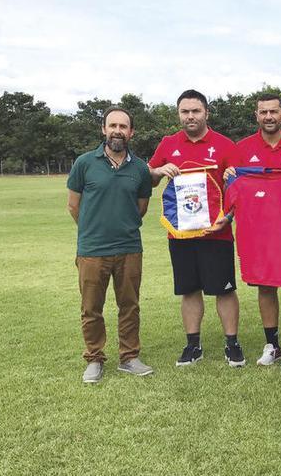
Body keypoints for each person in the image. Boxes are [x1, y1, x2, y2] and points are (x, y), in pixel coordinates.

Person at [148, 89, 245, 368]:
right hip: (181, 232)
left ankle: (232, 344)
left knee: (224, 290)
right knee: (189, 290)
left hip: (217, 231)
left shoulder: (225, 145)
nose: (190, 116)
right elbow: (151, 178)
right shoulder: (168, 144)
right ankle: (193, 346)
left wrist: (228, 216)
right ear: (179, 114)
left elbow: (238, 190)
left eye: (195, 111)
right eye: (185, 111)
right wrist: (158, 170)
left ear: (206, 113)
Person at [224, 93, 281, 372]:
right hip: (259, 234)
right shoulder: (242, 148)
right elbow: (232, 190)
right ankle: (272, 345)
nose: (268, 117)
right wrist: (230, 177)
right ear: (256, 116)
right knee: (265, 286)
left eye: (273, 112)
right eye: (263, 112)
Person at [67, 106, 154, 383]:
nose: (118, 131)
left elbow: (140, 208)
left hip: (129, 247)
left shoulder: (140, 168)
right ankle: (94, 358)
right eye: (112, 125)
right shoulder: (84, 163)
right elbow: (73, 205)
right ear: (103, 129)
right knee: (91, 307)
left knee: (129, 305)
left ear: (131, 132)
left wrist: (120, 227)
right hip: (92, 250)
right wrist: (94, 230)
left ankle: (129, 357)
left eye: (123, 126)